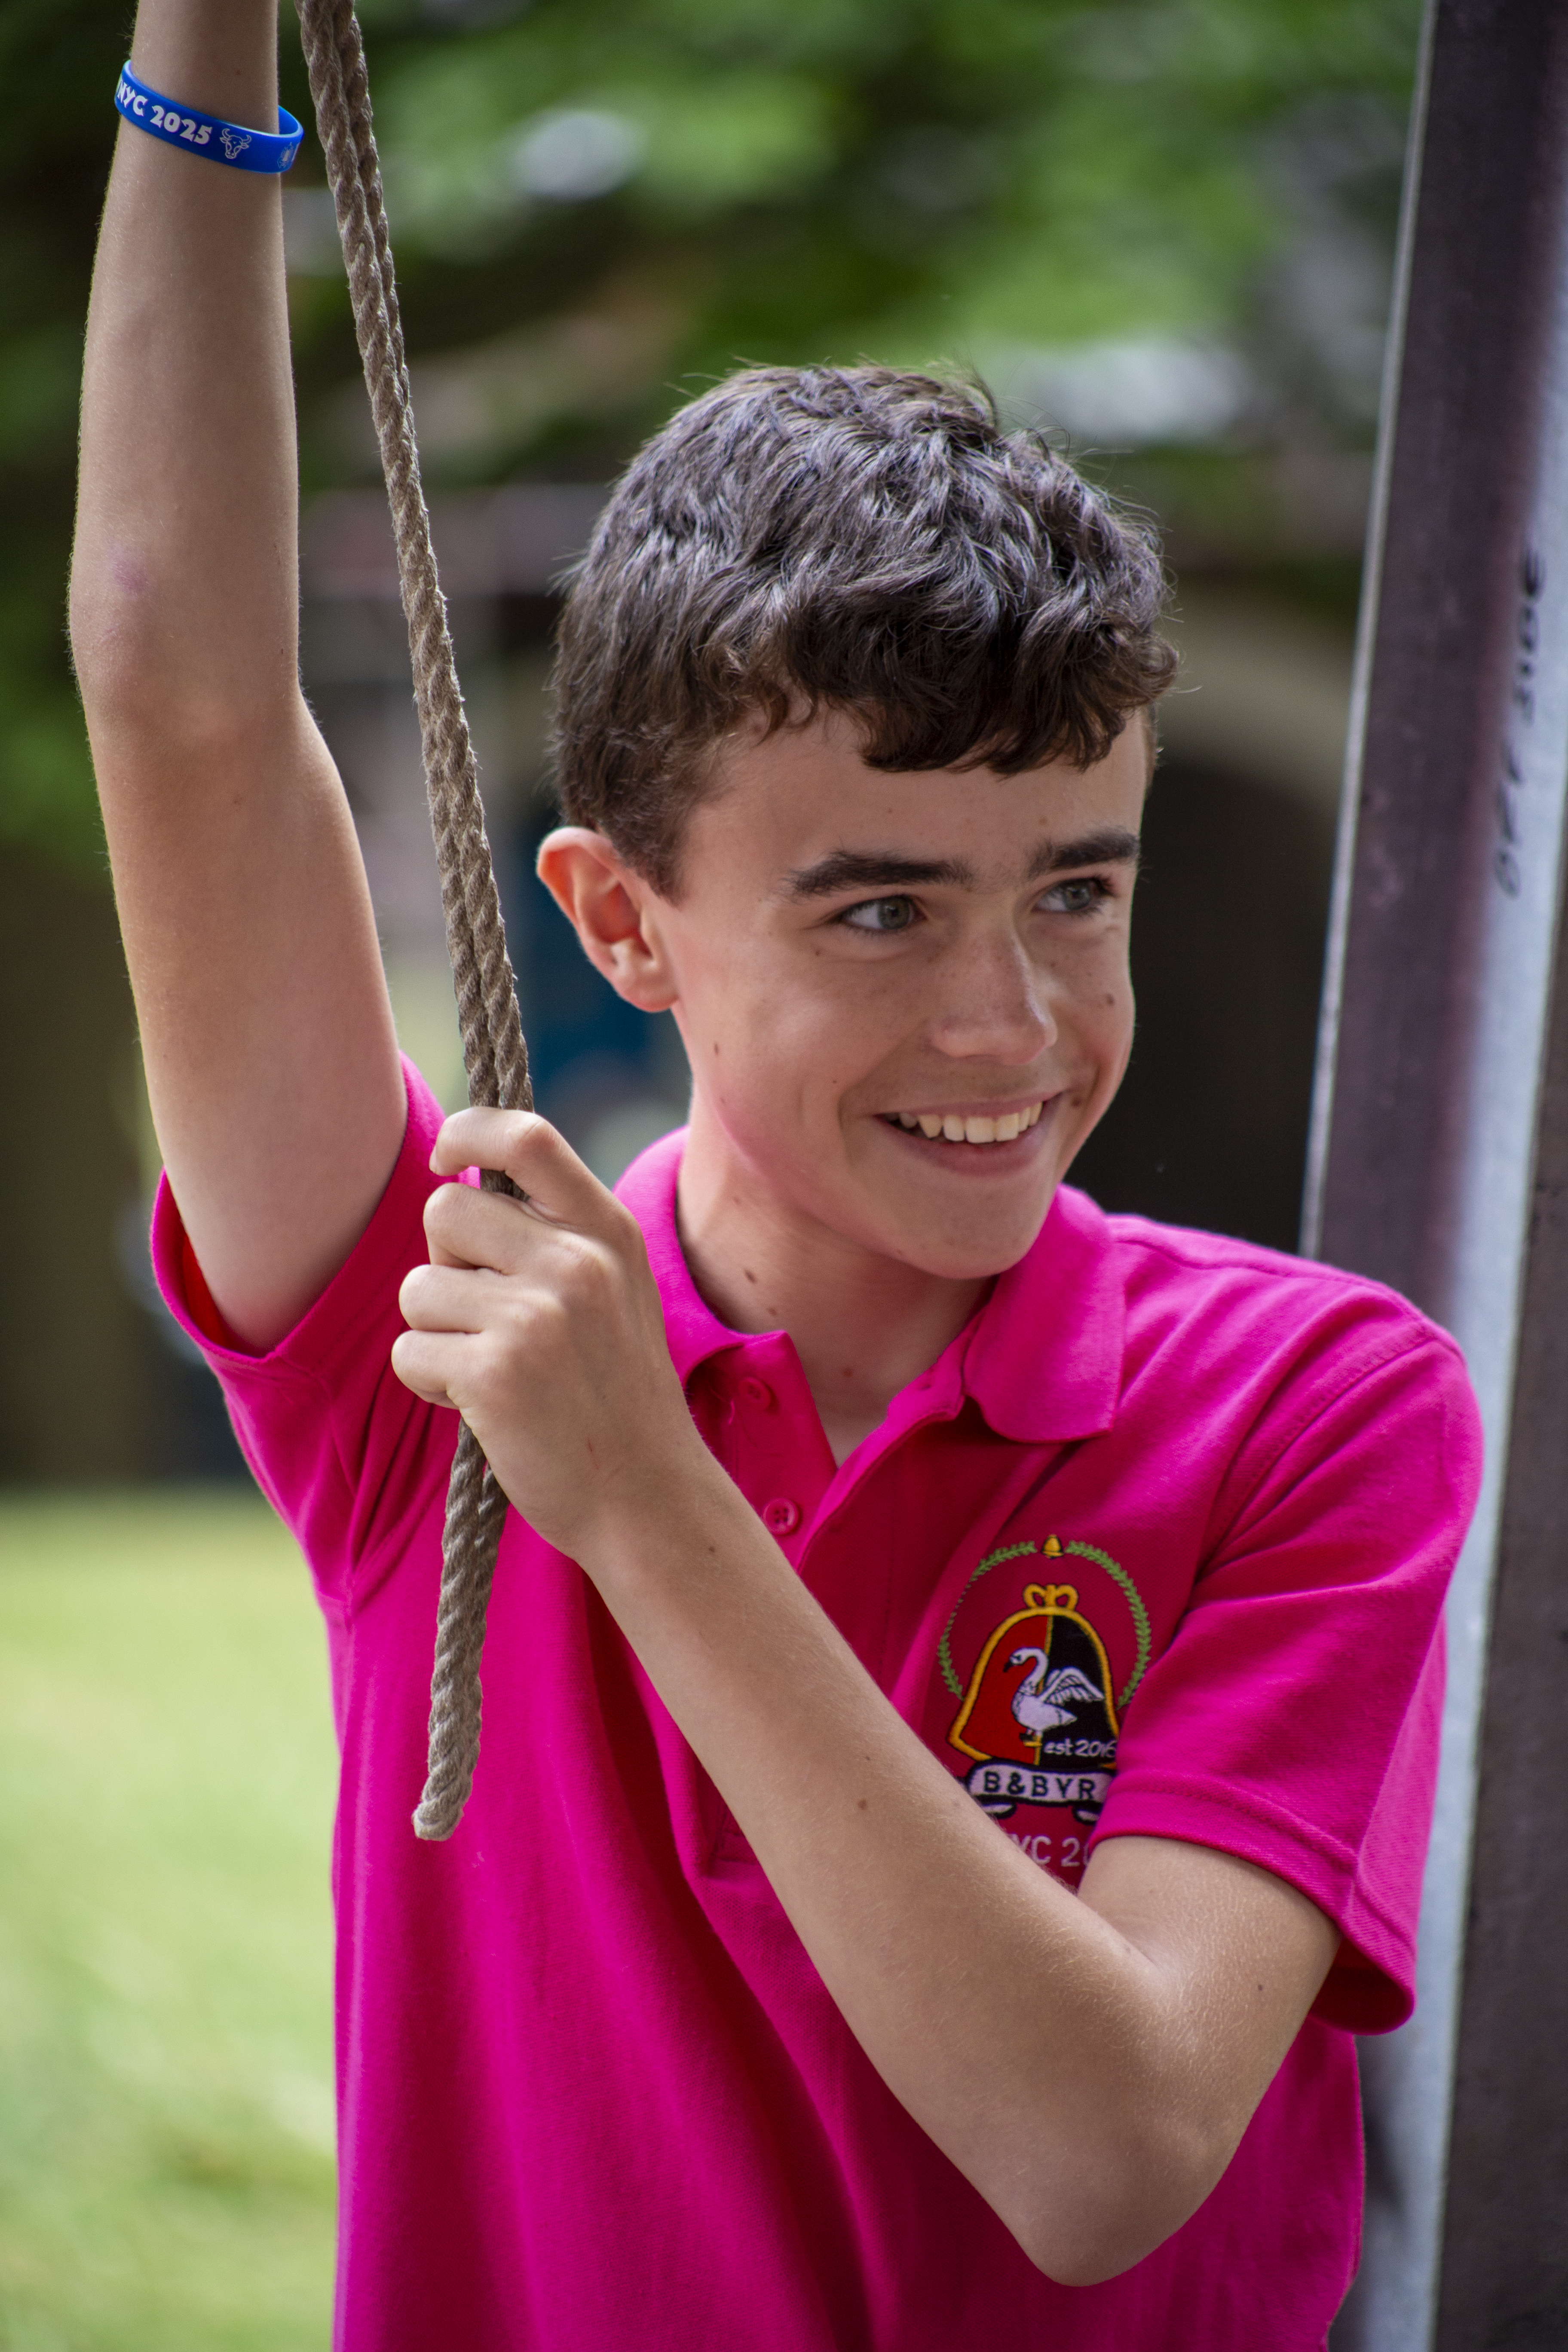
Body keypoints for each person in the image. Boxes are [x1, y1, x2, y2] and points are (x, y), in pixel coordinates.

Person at [70, 6, 1481, 2346]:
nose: (1009, 1025)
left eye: (1077, 889)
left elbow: (1104, 2150)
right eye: (882, 907)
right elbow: (177, 691)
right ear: (622, 925)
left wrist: (645, 1501)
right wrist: (203, 39)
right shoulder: (434, 1336)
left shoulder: (1313, 1401)